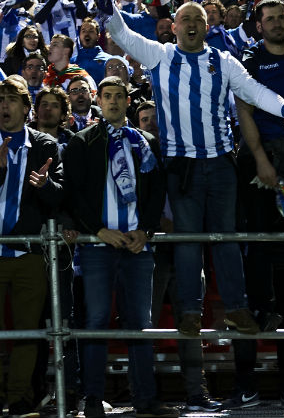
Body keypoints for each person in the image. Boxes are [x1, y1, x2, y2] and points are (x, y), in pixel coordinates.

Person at [99, 0, 284, 337]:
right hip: (182, 166)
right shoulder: (160, 55)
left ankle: (237, 308)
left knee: (225, 238)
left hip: (221, 163)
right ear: (175, 27)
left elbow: (254, 91)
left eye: (199, 19)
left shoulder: (223, 60)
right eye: (186, 19)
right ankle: (190, 312)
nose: (193, 24)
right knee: (187, 240)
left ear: (207, 27)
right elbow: (121, 33)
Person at [62, 77, 176, 418]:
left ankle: (145, 399)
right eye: (107, 96)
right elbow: (74, 194)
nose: (113, 101)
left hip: (138, 245)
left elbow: (157, 193)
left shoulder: (147, 142)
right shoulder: (82, 142)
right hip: (98, 245)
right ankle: (93, 399)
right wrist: (97, 230)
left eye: (119, 96)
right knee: (96, 320)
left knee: (140, 322)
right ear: (99, 100)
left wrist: (147, 230)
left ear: (128, 101)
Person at [230, 0, 284, 410]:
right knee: (257, 261)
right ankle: (246, 385)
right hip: (257, 165)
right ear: (259, 25)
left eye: (283, 16)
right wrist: (262, 160)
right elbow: (244, 108)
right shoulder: (248, 58)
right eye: (270, 18)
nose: (278, 23)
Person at [0, 75, 63, 418]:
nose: (5, 106)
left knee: (28, 333)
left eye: (12, 100)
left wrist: (44, 186)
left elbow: (59, 199)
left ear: (28, 109)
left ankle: (21, 398)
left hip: (29, 254)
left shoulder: (46, 146)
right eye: (0, 100)